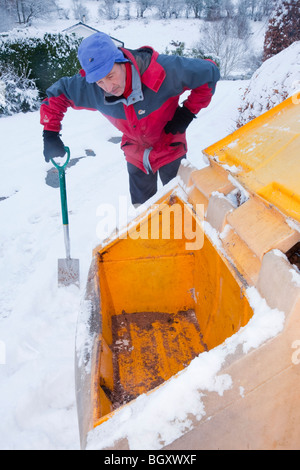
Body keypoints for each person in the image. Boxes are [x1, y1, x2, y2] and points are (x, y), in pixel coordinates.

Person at [41, 32, 220, 206]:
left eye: (110, 76)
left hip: (171, 146)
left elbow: (209, 72)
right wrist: (50, 133)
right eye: (100, 81)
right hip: (136, 154)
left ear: (121, 60)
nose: (108, 87)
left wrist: (187, 112)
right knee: (142, 212)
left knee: (180, 204)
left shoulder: (164, 70)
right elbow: (57, 95)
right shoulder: (92, 88)